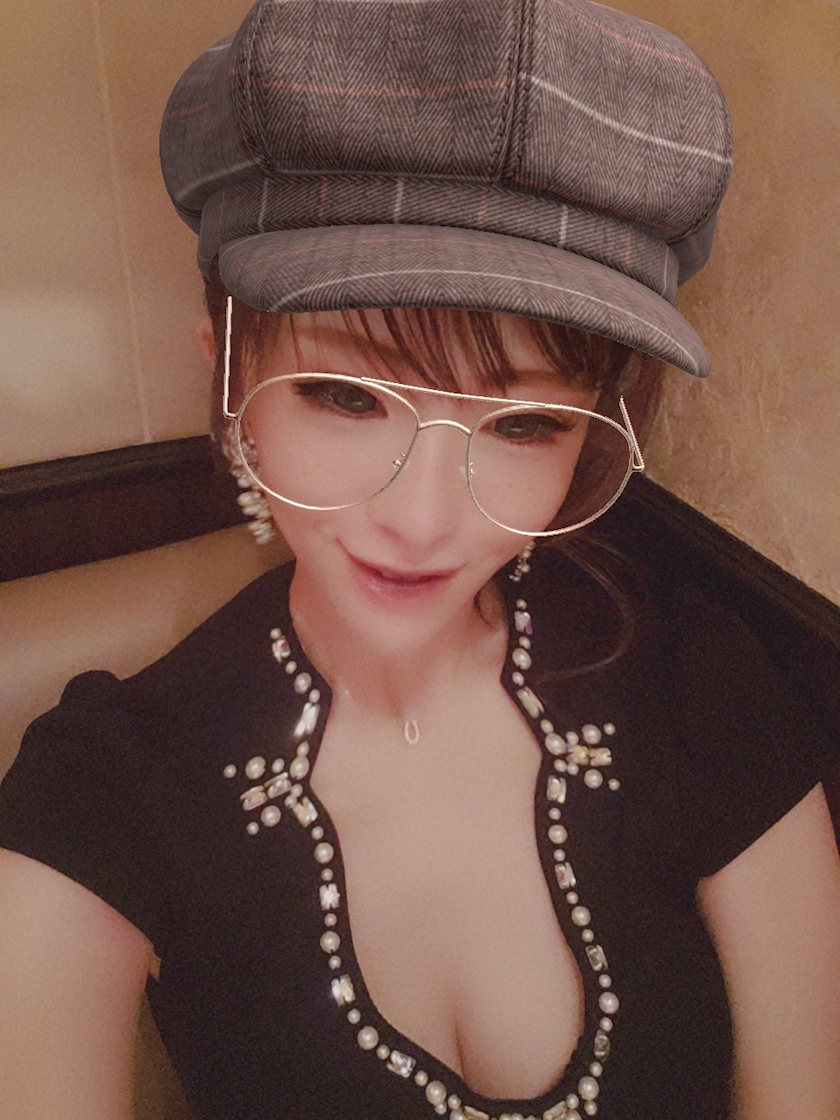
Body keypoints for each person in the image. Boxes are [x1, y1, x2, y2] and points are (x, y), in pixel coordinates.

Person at [1, 1, 839, 1118]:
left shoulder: (704, 688)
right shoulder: (104, 791)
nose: (425, 519)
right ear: (228, 378)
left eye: (525, 423)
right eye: (347, 396)